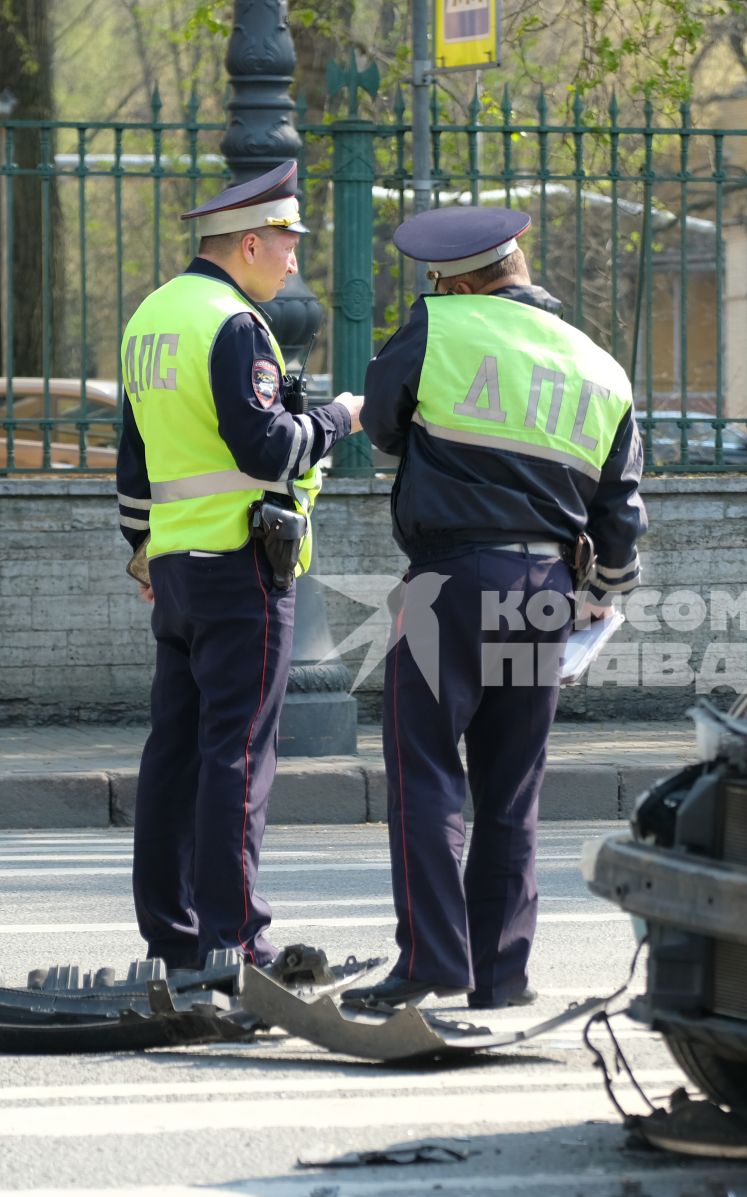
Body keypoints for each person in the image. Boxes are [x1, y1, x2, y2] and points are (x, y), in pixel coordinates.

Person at [349, 205, 646, 1010]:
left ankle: (432, 962)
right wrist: (602, 595)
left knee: (426, 773)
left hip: (448, 583)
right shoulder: (600, 365)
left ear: (457, 279)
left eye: (438, 281)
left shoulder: (440, 326)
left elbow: (381, 427)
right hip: (548, 593)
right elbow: (620, 516)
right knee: (512, 791)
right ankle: (501, 978)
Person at [114, 160, 364, 971]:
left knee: (174, 753)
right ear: (250, 242)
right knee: (239, 755)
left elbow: (131, 463)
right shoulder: (233, 324)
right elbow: (267, 450)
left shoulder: (151, 317)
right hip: (240, 566)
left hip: (176, 570)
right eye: (288, 242)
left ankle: (172, 936)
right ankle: (235, 941)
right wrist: (336, 419)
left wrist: (142, 550)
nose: (294, 260)